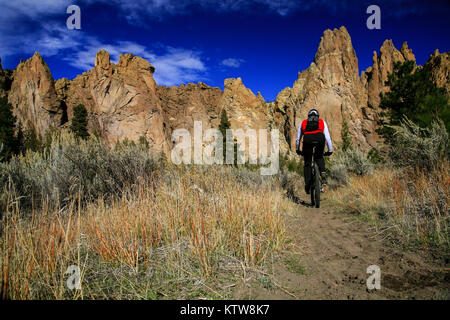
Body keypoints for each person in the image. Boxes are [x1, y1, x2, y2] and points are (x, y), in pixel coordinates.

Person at [296, 109, 333, 194]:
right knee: (319, 157)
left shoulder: (303, 123)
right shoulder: (322, 122)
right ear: (317, 116)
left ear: (308, 116)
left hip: (307, 140)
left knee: (307, 162)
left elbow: (298, 138)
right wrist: (330, 150)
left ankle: (308, 185)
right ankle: (322, 172)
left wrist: (297, 149)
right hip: (320, 139)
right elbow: (327, 138)